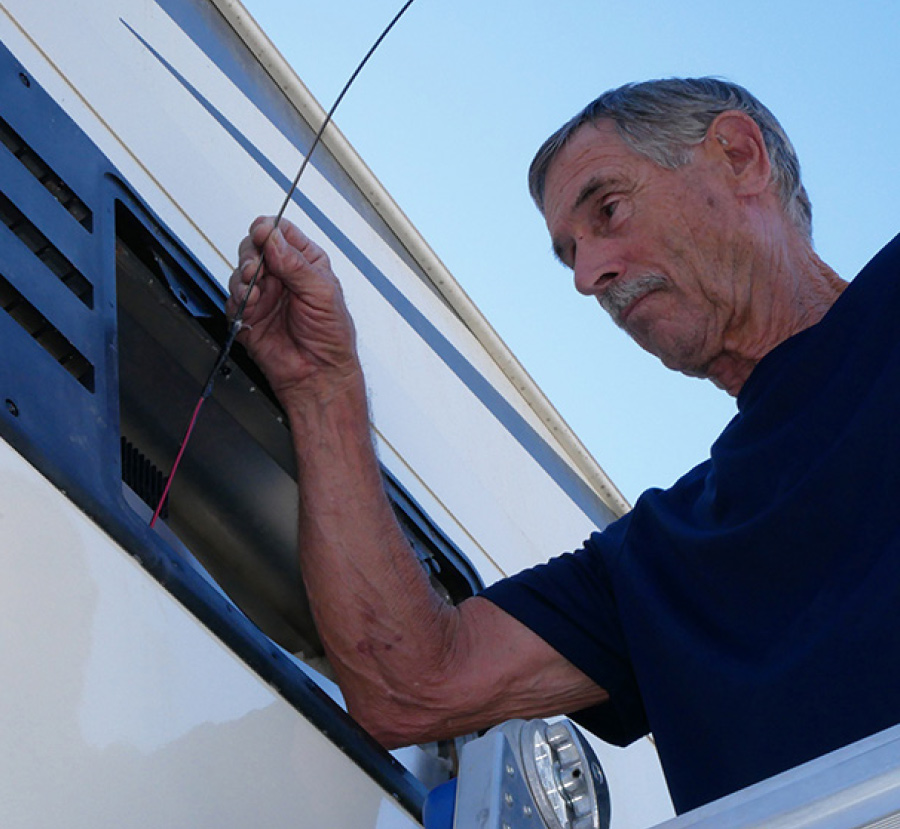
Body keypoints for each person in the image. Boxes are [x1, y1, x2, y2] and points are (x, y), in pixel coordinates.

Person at [228, 77, 900, 814]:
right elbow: (411, 685)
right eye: (569, 254)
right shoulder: (660, 557)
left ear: (738, 157)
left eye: (608, 210)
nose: (589, 277)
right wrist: (323, 388)